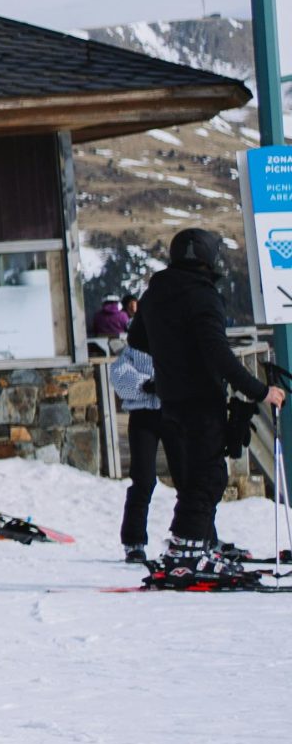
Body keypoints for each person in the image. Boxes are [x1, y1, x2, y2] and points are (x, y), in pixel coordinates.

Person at [130, 227, 284, 547]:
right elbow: (218, 354)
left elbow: (137, 339)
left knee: (191, 477)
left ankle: (203, 541)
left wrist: (171, 351)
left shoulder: (156, 291)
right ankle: (187, 545)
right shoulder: (203, 295)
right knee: (208, 476)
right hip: (200, 399)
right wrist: (260, 390)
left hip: (169, 398)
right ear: (208, 258)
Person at [99, 296, 164, 563]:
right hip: (143, 415)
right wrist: (144, 384)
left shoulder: (174, 341)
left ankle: (201, 533)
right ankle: (134, 540)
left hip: (170, 411)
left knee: (188, 478)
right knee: (143, 478)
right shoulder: (135, 347)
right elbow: (118, 373)